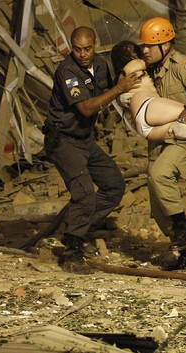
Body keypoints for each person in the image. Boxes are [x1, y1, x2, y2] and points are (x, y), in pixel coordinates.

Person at [42, 26, 141, 274]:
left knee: (114, 185)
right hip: (62, 140)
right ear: (71, 47)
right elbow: (86, 108)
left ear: (95, 45)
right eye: (77, 49)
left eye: (87, 48)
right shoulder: (68, 71)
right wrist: (119, 88)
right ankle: (73, 250)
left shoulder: (100, 64)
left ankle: (77, 228)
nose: (82, 54)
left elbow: (113, 86)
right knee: (84, 192)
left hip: (84, 138)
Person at [138, 16, 186, 270]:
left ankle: (183, 235)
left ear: (165, 45)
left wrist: (183, 119)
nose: (145, 50)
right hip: (162, 135)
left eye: (150, 46)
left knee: (161, 175)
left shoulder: (183, 65)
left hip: (184, 134)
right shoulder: (153, 69)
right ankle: (185, 249)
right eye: (144, 46)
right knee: (155, 190)